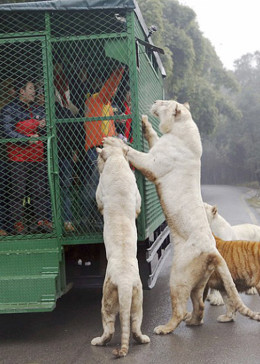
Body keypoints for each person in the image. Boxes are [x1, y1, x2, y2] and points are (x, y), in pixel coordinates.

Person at [1, 77, 52, 234]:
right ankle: (17, 223)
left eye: (34, 89)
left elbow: (45, 130)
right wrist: (26, 138)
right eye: (30, 88)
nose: (34, 92)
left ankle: (42, 221)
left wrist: (41, 126)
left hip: (37, 156)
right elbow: (7, 131)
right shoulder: (9, 109)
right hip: (18, 158)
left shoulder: (38, 109)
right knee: (18, 191)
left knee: (40, 190)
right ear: (21, 91)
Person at [81, 66, 125, 228]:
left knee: (100, 184)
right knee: (97, 185)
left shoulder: (98, 103)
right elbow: (111, 85)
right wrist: (120, 68)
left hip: (100, 148)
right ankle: (92, 220)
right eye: (109, 89)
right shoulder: (98, 99)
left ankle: (94, 219)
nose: (113, 92)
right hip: (98, 150)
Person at [0, 79, 16, 235]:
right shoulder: (7, 108)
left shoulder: (10, 108)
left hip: (8, 157)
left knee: (8, 192)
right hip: (5, 156)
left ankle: (8, 226)